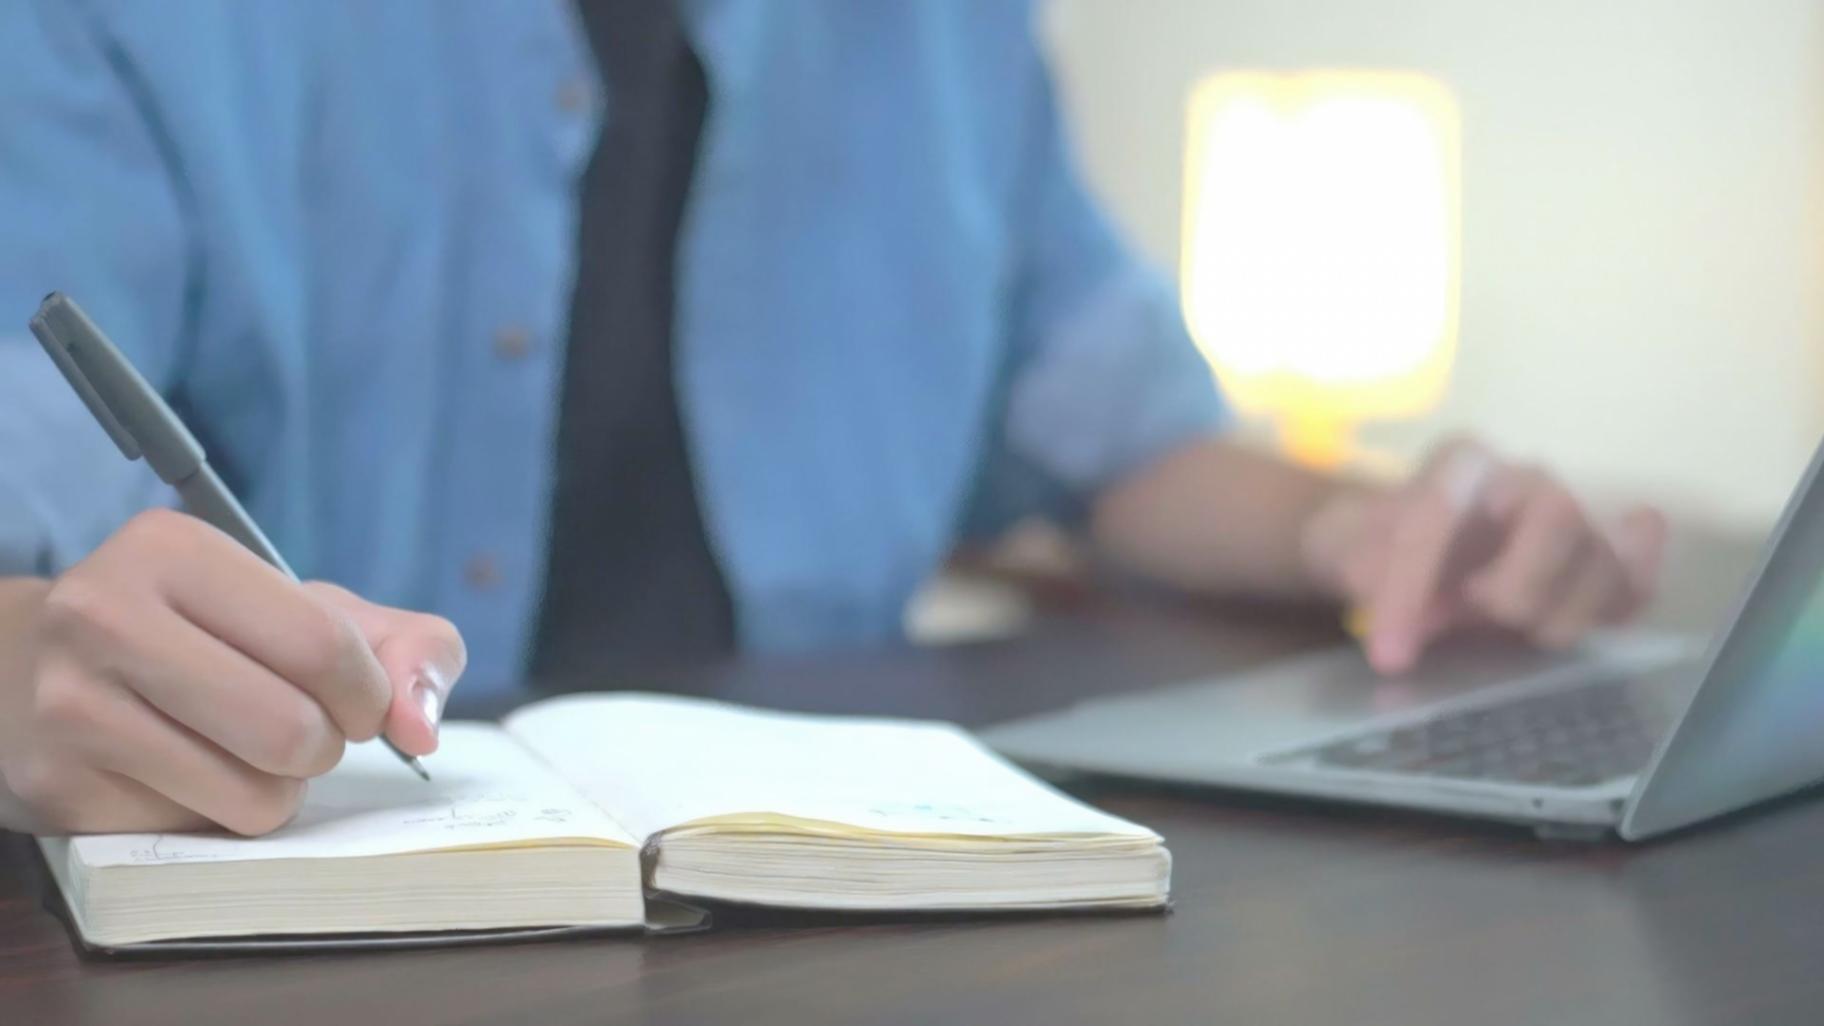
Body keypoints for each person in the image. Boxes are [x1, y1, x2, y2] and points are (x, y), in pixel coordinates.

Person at [0, 1, 1664, 837]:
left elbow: (1105, 417)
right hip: (313, 895)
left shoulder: (943, 30)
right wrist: (26, 675)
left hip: (836, 899)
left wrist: (1352, 526)